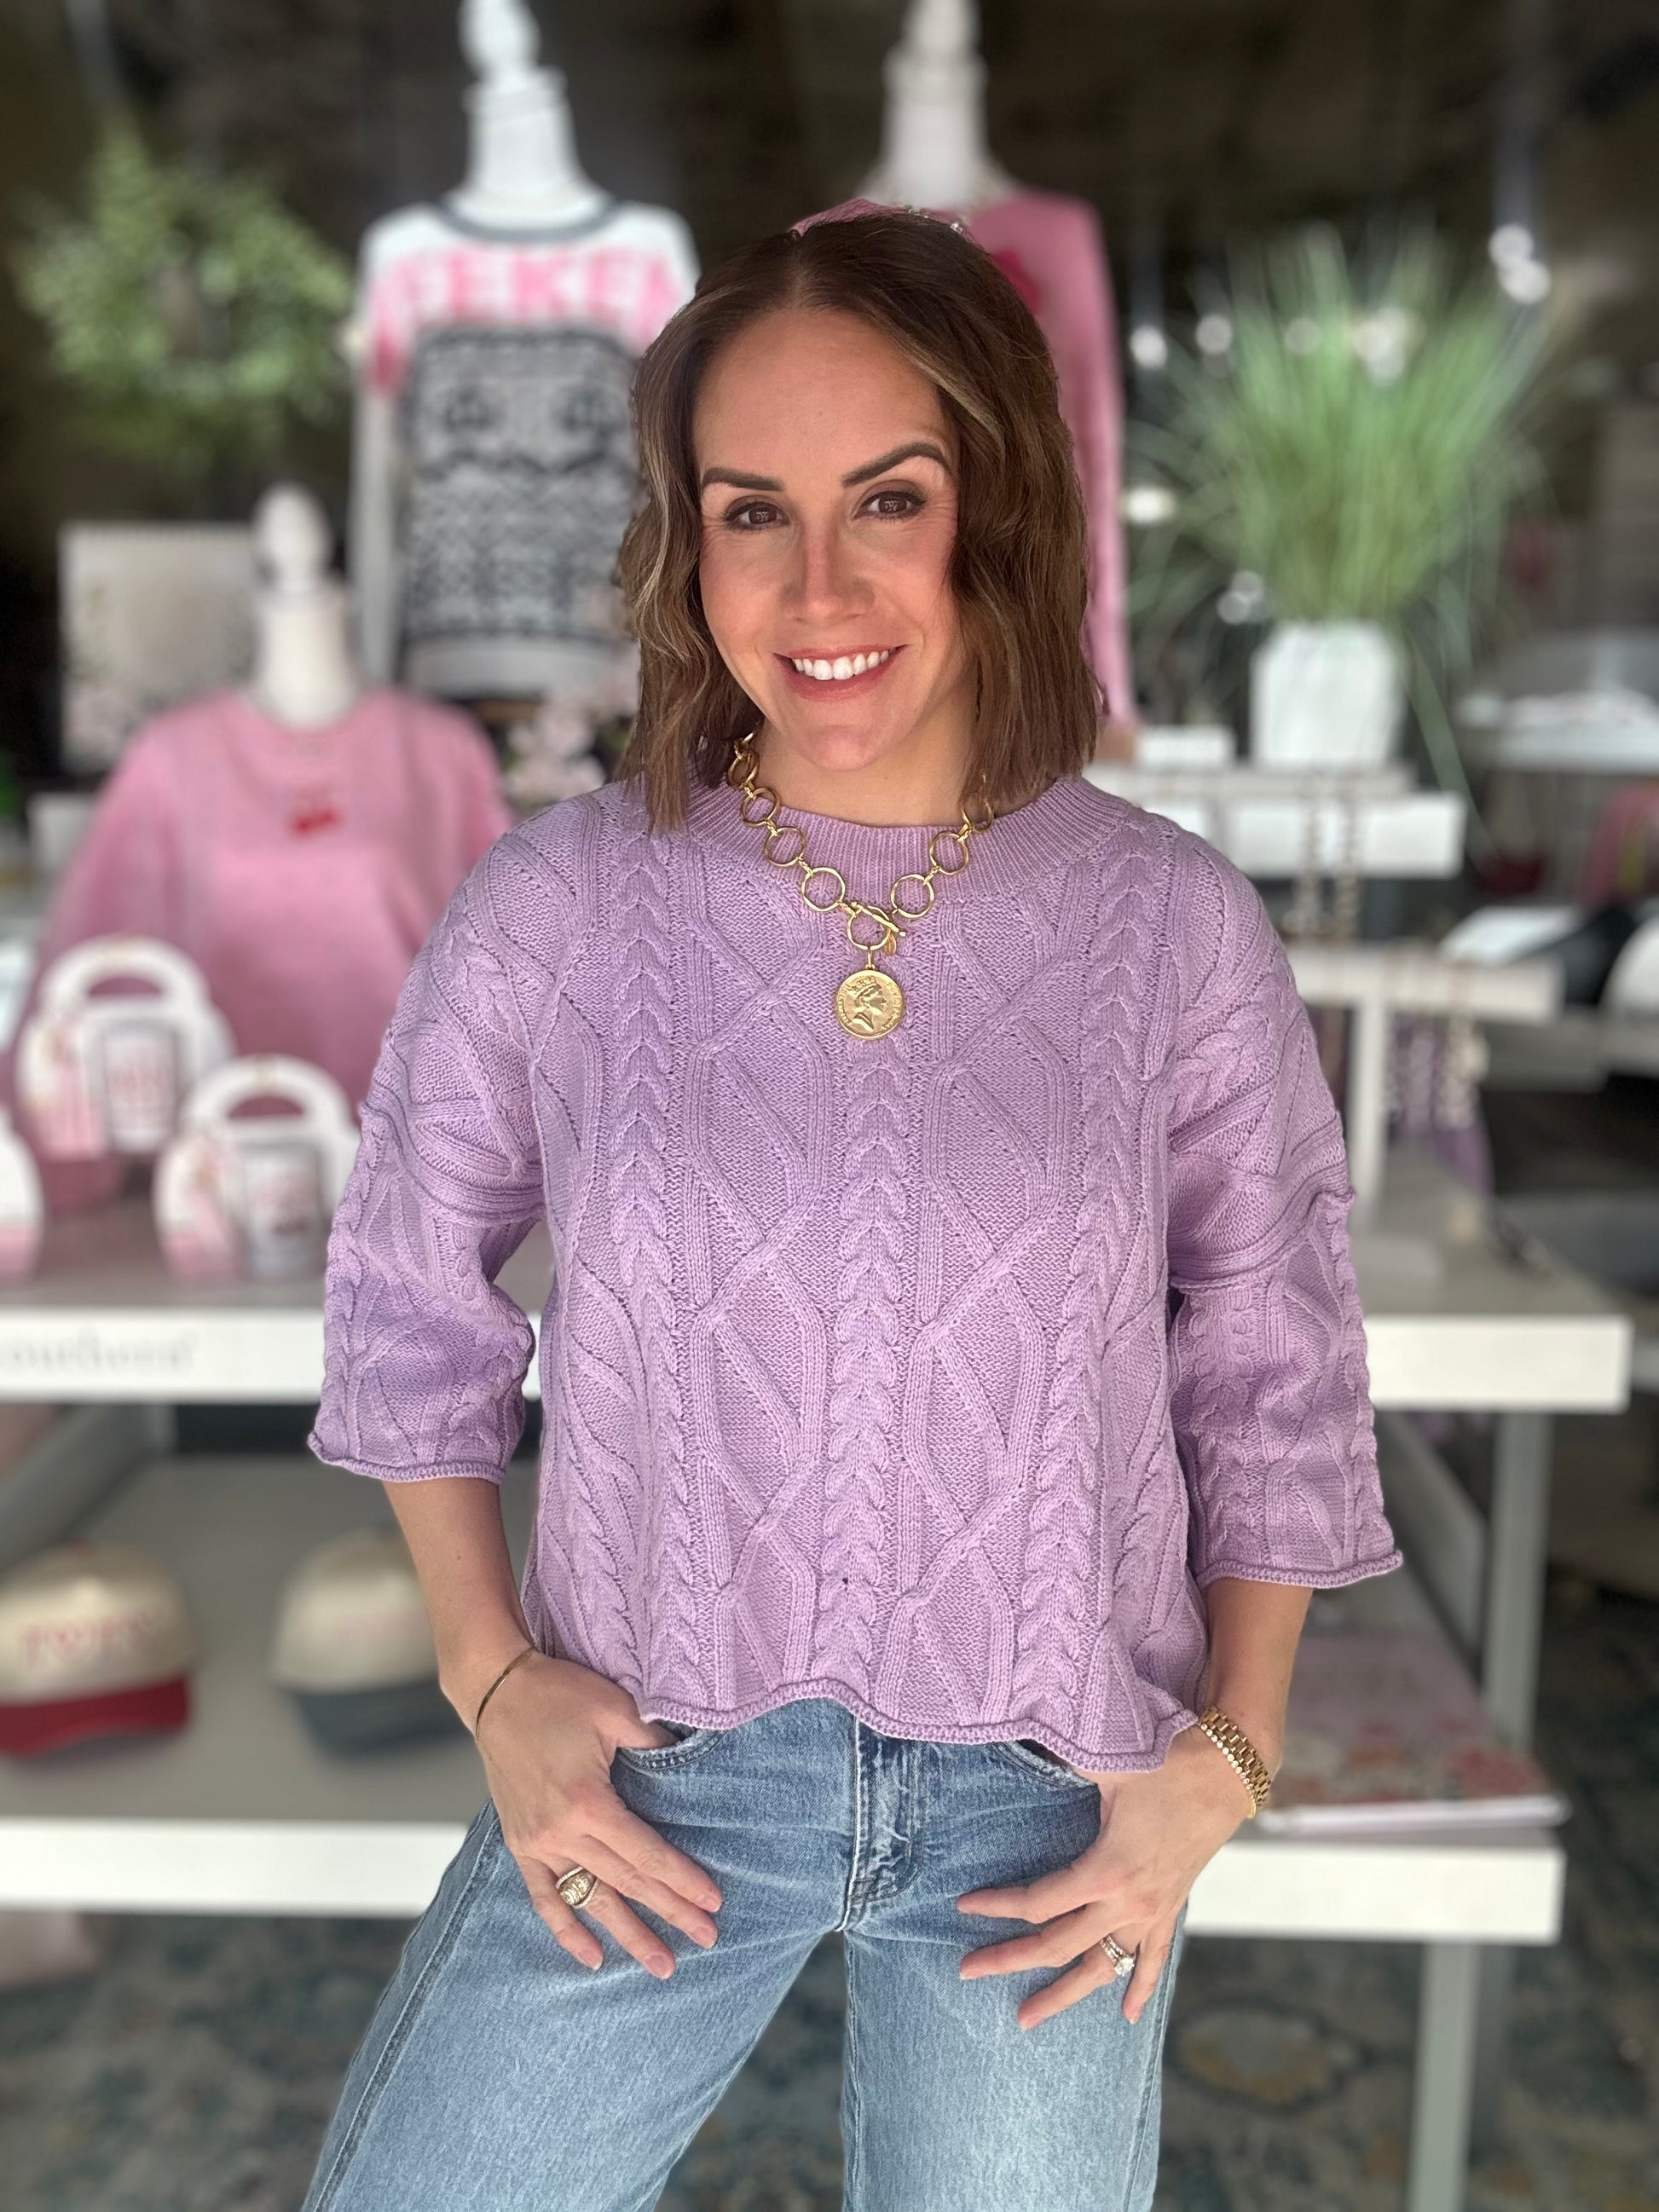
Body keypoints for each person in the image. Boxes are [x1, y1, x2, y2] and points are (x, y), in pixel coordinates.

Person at [300, 201, 1401, 2212]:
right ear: (685, 540)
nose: (818, 587)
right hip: (652, 1764)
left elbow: (1274, 1368)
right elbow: (404, 1300)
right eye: (753, 512)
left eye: (889, 498)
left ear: (998, 506)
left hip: (1052, 1803)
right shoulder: (560, 905)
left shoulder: (1168, 925)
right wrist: (489, 1673)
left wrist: (1226, 1761)